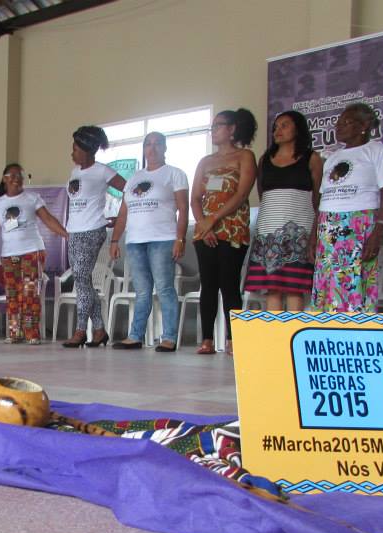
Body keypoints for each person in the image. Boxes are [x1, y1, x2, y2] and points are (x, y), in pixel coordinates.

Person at [312, 104, 383, 313]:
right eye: (338, 123)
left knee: (353, 280)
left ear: (364, 125)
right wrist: (313, 237)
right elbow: (323, 199)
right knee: (327, 280)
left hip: (357, 223)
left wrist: (378, 232)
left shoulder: (379, 151)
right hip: (327, 225)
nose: (339, 127)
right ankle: (327, 332)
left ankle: (354, 330)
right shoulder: (332, 157)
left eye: (346, 122)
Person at [110, 132, 189, 352]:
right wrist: (115, 240)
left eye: (157, 144)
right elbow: (123, 213)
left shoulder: (174, 174)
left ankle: (169, 337)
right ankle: (135, 336)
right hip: (135, 241)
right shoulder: (134, 178)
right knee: (142, 291)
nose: (152, 149)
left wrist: (180, 238)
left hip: (162, 239)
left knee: (164, 288)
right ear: (143, 149)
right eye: (148, 144)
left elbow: (183, 209)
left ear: (165, 148)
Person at [190, 109, 257, 355]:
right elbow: (195, 198)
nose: (214, 130)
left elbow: (241, 194)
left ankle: (232, 339)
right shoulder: (205, 162)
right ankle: (207, 339)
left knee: (229, 284)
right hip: (204, 232)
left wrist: (213, 220)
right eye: (213, 126)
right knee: (208, 285)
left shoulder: (245, 156)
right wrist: (203, 224)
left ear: (232, 129)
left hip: (232, 229)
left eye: (219, 125)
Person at [244, 110, 323, 311]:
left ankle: (292, 336)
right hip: (268, 232)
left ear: (298, 129)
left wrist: (314, 232)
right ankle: (276, 338)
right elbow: (263, 194)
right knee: (272, 288)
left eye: (284, 125)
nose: (278, 130)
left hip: (298, 232)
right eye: (275, 127)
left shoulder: (311, 158)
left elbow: (317, 198)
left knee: (294, 288)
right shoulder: (265, 159)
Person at [62, 126, 126, 348]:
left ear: (88, 150)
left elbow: (129, 189)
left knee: (80, 276)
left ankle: (81, 331)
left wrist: (120, 216)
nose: (72, 153)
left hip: (93, 230)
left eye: (75, 149)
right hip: (74, 230)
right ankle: (99, 330)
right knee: (83, 281)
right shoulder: (75, 172)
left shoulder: (102, 171)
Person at [0, 163, 68, 344]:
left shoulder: (32, 198)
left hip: (32, 251)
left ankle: (31, 332)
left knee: (29, 292)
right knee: (12, 293)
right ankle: (15, 332)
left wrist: (66, 234)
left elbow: (48, 219)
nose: (17, 179)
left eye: (20, 176)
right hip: (9, 254)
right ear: (5, 179)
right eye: (13, 175)